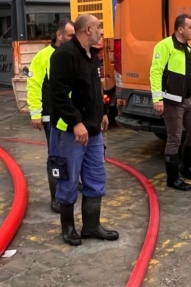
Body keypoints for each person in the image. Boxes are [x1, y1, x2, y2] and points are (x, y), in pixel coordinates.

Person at [49, 15, 118, 246]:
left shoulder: (93, 55)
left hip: (94, 129)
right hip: (72, 132)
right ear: (88, 29)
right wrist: (76, 122)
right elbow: (58, 95)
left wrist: (104, 112)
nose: (101, 31)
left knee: (96, 176)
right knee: (68, 180)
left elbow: (95, 88)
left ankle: (90, 226)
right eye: (99, 27)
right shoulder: (65, 55)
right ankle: (68, 228)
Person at [149, 14, 191, 191]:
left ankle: (186, 168)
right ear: (180, 29)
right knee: (174, 137)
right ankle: (172, 178)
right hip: (172, 102)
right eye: (190, 27)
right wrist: (157, 99)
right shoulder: (165, 46)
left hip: (189, 101)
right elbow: (155, 72)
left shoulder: (188, 48)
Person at [26, 18, 75, 214]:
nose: (73, 39)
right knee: (55, 158)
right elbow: (34, 85)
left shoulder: (74, 54)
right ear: (59, 35)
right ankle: (56, 197)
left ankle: (71, 185)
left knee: (73, 154)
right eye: (70, 35)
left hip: (73, 116)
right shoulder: (43, 57)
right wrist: (36, 113)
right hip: (52, 117)